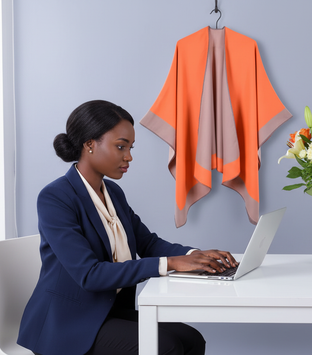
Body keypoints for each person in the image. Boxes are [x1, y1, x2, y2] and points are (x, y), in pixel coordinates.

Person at [17, 100, 238, 355]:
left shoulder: (112, 192)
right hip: (68, 322)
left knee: (191, 339)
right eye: (121, 146)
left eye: (130, 147)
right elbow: (89, 274)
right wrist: (171, 264)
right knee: (167, 347)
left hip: (108, 310)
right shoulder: (55, 198)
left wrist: (194, 256)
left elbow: (147, 243)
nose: (129, 156)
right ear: (89, 144)